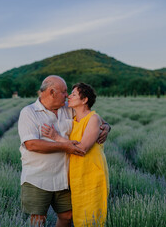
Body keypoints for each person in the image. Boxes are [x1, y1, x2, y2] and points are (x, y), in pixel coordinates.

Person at [18, 76, 110, 227]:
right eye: (64, 92)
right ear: (52, 92)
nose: (67, 95)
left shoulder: (67, 109)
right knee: (38, 220)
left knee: (68, 216)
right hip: (38, 178)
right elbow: (31, 144)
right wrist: (64, 145)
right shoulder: (29, 112)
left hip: (64, 178)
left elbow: (90, 117)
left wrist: (106, 126)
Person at [42, 82, 109, 227]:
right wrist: (108, 127)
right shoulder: (74, 118)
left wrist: (57, 138)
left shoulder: (93, 119)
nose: (69, 97)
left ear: (84, 100)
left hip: (92, 174)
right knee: (80, 217)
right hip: (77, 175)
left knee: (92, 217)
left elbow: (82, 148)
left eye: (74, 94)